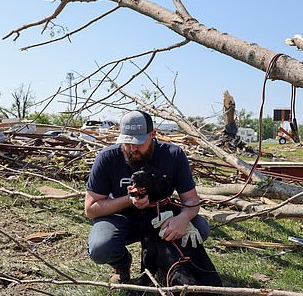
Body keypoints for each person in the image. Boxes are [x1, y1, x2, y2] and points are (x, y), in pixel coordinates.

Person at [85, 110, 210, 283]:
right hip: (121, 219)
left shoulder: (173, 155)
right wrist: (129, 200)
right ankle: (121, 264)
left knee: (200, 227)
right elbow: (91, 209)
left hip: (160, 218)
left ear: (153, 135)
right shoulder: (107, 158)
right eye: (127, 143)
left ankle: (164, 261)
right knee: (100, 248)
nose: (132, 149)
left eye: (138, 143)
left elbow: (191, 200)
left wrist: (183, 218)